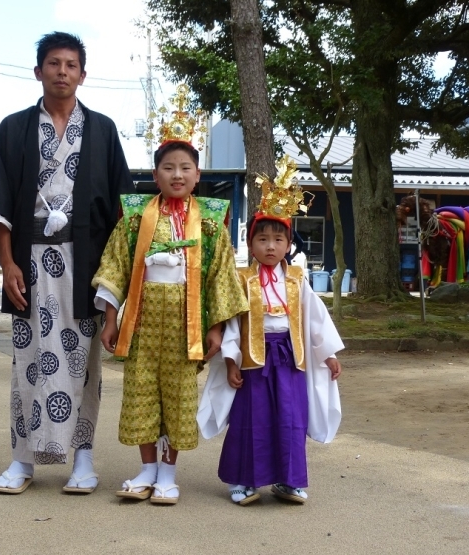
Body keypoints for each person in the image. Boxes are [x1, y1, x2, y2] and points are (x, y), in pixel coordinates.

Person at [0, 31, 134, 495]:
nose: (62, 72)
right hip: (30, 263)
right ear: (38, 70)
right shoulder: (14, 128)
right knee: (29, 362)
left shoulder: (101, 130)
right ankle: (23, 460)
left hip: (85, 265)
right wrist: (7, 263)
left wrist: (118, 277)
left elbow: (122, 207)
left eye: (71, 65)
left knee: (85, 363)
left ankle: (83, 460)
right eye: (54, 63)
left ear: (83, 74)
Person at [92, 131, 249, 505]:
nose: (177, 175)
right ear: (155, 173)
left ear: (197, 175)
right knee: (141, 394)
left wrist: (214, 328)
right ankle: (147, 469)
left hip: (186, 325)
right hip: (143, 322)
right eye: (168, 168)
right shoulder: (134, 218)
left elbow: (219, 277)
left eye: (185, 168)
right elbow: (114, 267)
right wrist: (111, 319)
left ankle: (168, 473)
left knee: (178, 398)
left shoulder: (211, 222)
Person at [197, 156, 343, 506]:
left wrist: (328, 353)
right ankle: (245, 481)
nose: (270, 246)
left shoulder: (297, 280)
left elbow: (315, 318)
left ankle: (288, 481)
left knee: (291, 418)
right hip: (252, 361)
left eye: (278, 239)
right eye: (262, 239)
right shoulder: (241, 280)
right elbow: (233, 322)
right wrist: (231, 362)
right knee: (253, 420)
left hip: (290, 358)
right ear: (251, 243)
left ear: (287, 244)